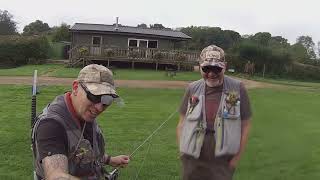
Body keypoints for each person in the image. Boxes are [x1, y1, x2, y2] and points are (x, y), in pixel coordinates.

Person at [32, 64, 130, 179]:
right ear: (75, 88)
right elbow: (56, 176)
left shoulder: (83, 113)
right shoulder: (51, 125)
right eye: (94, 96)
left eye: (106, 100)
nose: (99, 107)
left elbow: (84, 151)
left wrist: (110, 160)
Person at [176, 45, 252, 180]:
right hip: (192, 158)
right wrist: (182, 150)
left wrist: (235, 160)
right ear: (200, 66)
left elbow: (245, 125)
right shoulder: (192, 88)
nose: (211, 73)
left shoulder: (237, 88)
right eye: (206, 68)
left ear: (225, 66)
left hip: (222, 160)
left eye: (217, 68)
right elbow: (182, 122)